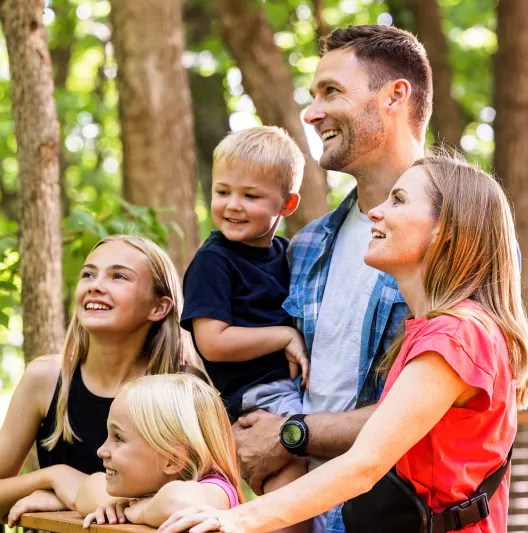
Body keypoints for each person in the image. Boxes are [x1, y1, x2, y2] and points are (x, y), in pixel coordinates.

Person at [159, 155, 527, 533]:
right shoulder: (434, 331)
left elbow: (365, 464)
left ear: (444, 230)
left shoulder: (457, 336)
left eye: (398, 200)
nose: (377, 211)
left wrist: (236, 519)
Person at [232, 25, 430, 533]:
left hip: (402, 519)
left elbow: (439, 414)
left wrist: (291, 433)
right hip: (302, 515)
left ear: (395, 96)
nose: (311, 112)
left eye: (331, 92)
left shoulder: (460, 238)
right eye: (312, 94)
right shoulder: (306, 245)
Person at [0, 235, 194, 526]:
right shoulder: (46, 379)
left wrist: (74, 498)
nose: (95, 285)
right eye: (88, 274)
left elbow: (202, 500)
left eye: (119, 276)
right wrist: (55, 476)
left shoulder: (183, 388)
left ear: (158, 308)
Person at [180, 126, 310, 532]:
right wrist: (285, 336)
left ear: (287, 204)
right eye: (223, 192)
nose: (233, 205)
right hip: (258, 395)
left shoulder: (286, 254)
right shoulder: (214, 260)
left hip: (291, 388)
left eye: (251, 196)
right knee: (293, 494)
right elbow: (212, 342)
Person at [74, 374, 242, 529]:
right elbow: (88, 491)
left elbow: (178, 502)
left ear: (173, 460)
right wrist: (121, 506)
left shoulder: (217, 491)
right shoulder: (151, 487)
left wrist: (142, 511)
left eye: (118, 438)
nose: (101, 451)